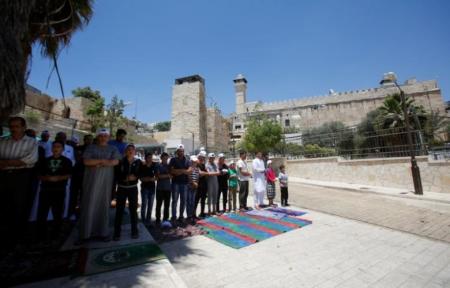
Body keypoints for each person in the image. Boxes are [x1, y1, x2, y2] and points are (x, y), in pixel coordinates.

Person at [0, 117, 38, 247]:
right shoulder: (3, 141)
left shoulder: (31, 142)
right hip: (3, 176)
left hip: (21, 177)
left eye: (16, 126)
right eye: (11, 126)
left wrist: (6, 162)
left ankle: (16, 236)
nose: (13, 129)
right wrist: (15, 162)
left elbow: (30, 160)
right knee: (3, 205)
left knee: (19, 205)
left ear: (23, 127)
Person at [78, 128, 121, 243]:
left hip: (106, 182)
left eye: (105, 135)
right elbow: (86, 161)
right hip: (91, 182)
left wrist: (97, 162)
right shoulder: (90, 148)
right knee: (88, 204)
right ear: (98, 137)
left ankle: (103, 233)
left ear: (108, 137)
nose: (103, 137)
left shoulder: (113, 148)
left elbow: (115, 161)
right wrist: (104, 161)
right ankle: (85, 234)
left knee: (103, 204)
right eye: (101, 135)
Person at [37, 141, 72, 241]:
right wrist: (46, 178)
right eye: (54, 146)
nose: (56, 148)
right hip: (45, 190)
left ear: (63, 149)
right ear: (51, 148)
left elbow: (69, 174)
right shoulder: (45, 161)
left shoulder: (67, 161)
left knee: (57, 213)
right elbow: (39, 175)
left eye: (59, 146)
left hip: (59, 190)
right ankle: (40, 234)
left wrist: (58, 178)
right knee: (42, 213)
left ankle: (55, 234)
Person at [114, 144, 142, 240]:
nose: (130, 151)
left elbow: (141, 174)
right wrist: (125, 178)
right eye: (128, 150)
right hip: (121, 188)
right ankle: (117, 233)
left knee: (133, 210)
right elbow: (116, 175)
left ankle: (134, 231)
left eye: (132, 150)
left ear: (135, 152)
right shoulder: (120, 162)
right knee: (119, 210)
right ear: (125, 151)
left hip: (133, 188)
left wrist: (136, 176)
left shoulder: (138, 162)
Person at [168, 144, 191, 222]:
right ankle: (174, 216)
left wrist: (178, 171)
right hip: (175, 183)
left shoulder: (187, 160)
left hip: (184, 183)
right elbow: (171, 171)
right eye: (179, 151)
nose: (181, 152)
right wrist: (183, 171)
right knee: (174, 200)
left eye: (182, 151)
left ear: (183, 151)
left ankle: (181, 216)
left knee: (183, 201)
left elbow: (189, 171)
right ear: (177, 152)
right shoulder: (173, 160)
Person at [139, 152, 157, 225]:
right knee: (144, 204)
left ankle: (148, 220)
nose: (150, 159)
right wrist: (151, 178)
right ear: (145, 158)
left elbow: (157, 177)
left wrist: (149, 178)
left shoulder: (154, 165)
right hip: (144, 188)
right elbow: (141, 179)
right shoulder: (142, 166)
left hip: (152, 188)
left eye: (151, 157)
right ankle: (143, 220)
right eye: (148, 157)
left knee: (150, 205)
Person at [155, 152, 171, 225]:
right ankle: (158, 219)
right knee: (159, 205)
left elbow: (172, 175)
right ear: (161, 158)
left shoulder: (169, 166)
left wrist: (164, 175)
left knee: (167, 205)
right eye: (164, 158)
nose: (165, 159)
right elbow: (158, 176)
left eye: (166, 158)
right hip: (160, 189)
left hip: (168, 188)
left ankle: (165, 219)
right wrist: (168, 175)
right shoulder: (158, 165)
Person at [194, 151, 208, 218]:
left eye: (204, 157)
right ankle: (194, 214)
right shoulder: (197, 164)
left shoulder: (203, 164)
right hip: (199, 184)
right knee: (196, 199)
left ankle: (202, 212)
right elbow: (200, 174)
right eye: (203, 157)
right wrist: (205, 173)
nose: (204, 158)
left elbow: (205, 173)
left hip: (204, 184)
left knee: (203, 199)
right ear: (199, 157)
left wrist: (205, 173)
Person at [187, 155, 200, 223]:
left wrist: (196, 183)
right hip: (190, 187)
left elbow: (197, 177)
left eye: (195, 161)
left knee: (193, 201)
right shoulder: (189, 168)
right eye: (193, 161)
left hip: (195, 187)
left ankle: (192, 215)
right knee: (189, 201)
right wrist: (194, 183)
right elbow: (189, 177)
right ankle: (189, 216)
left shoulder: (197, 169)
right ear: (191, 161)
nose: (194, 163)